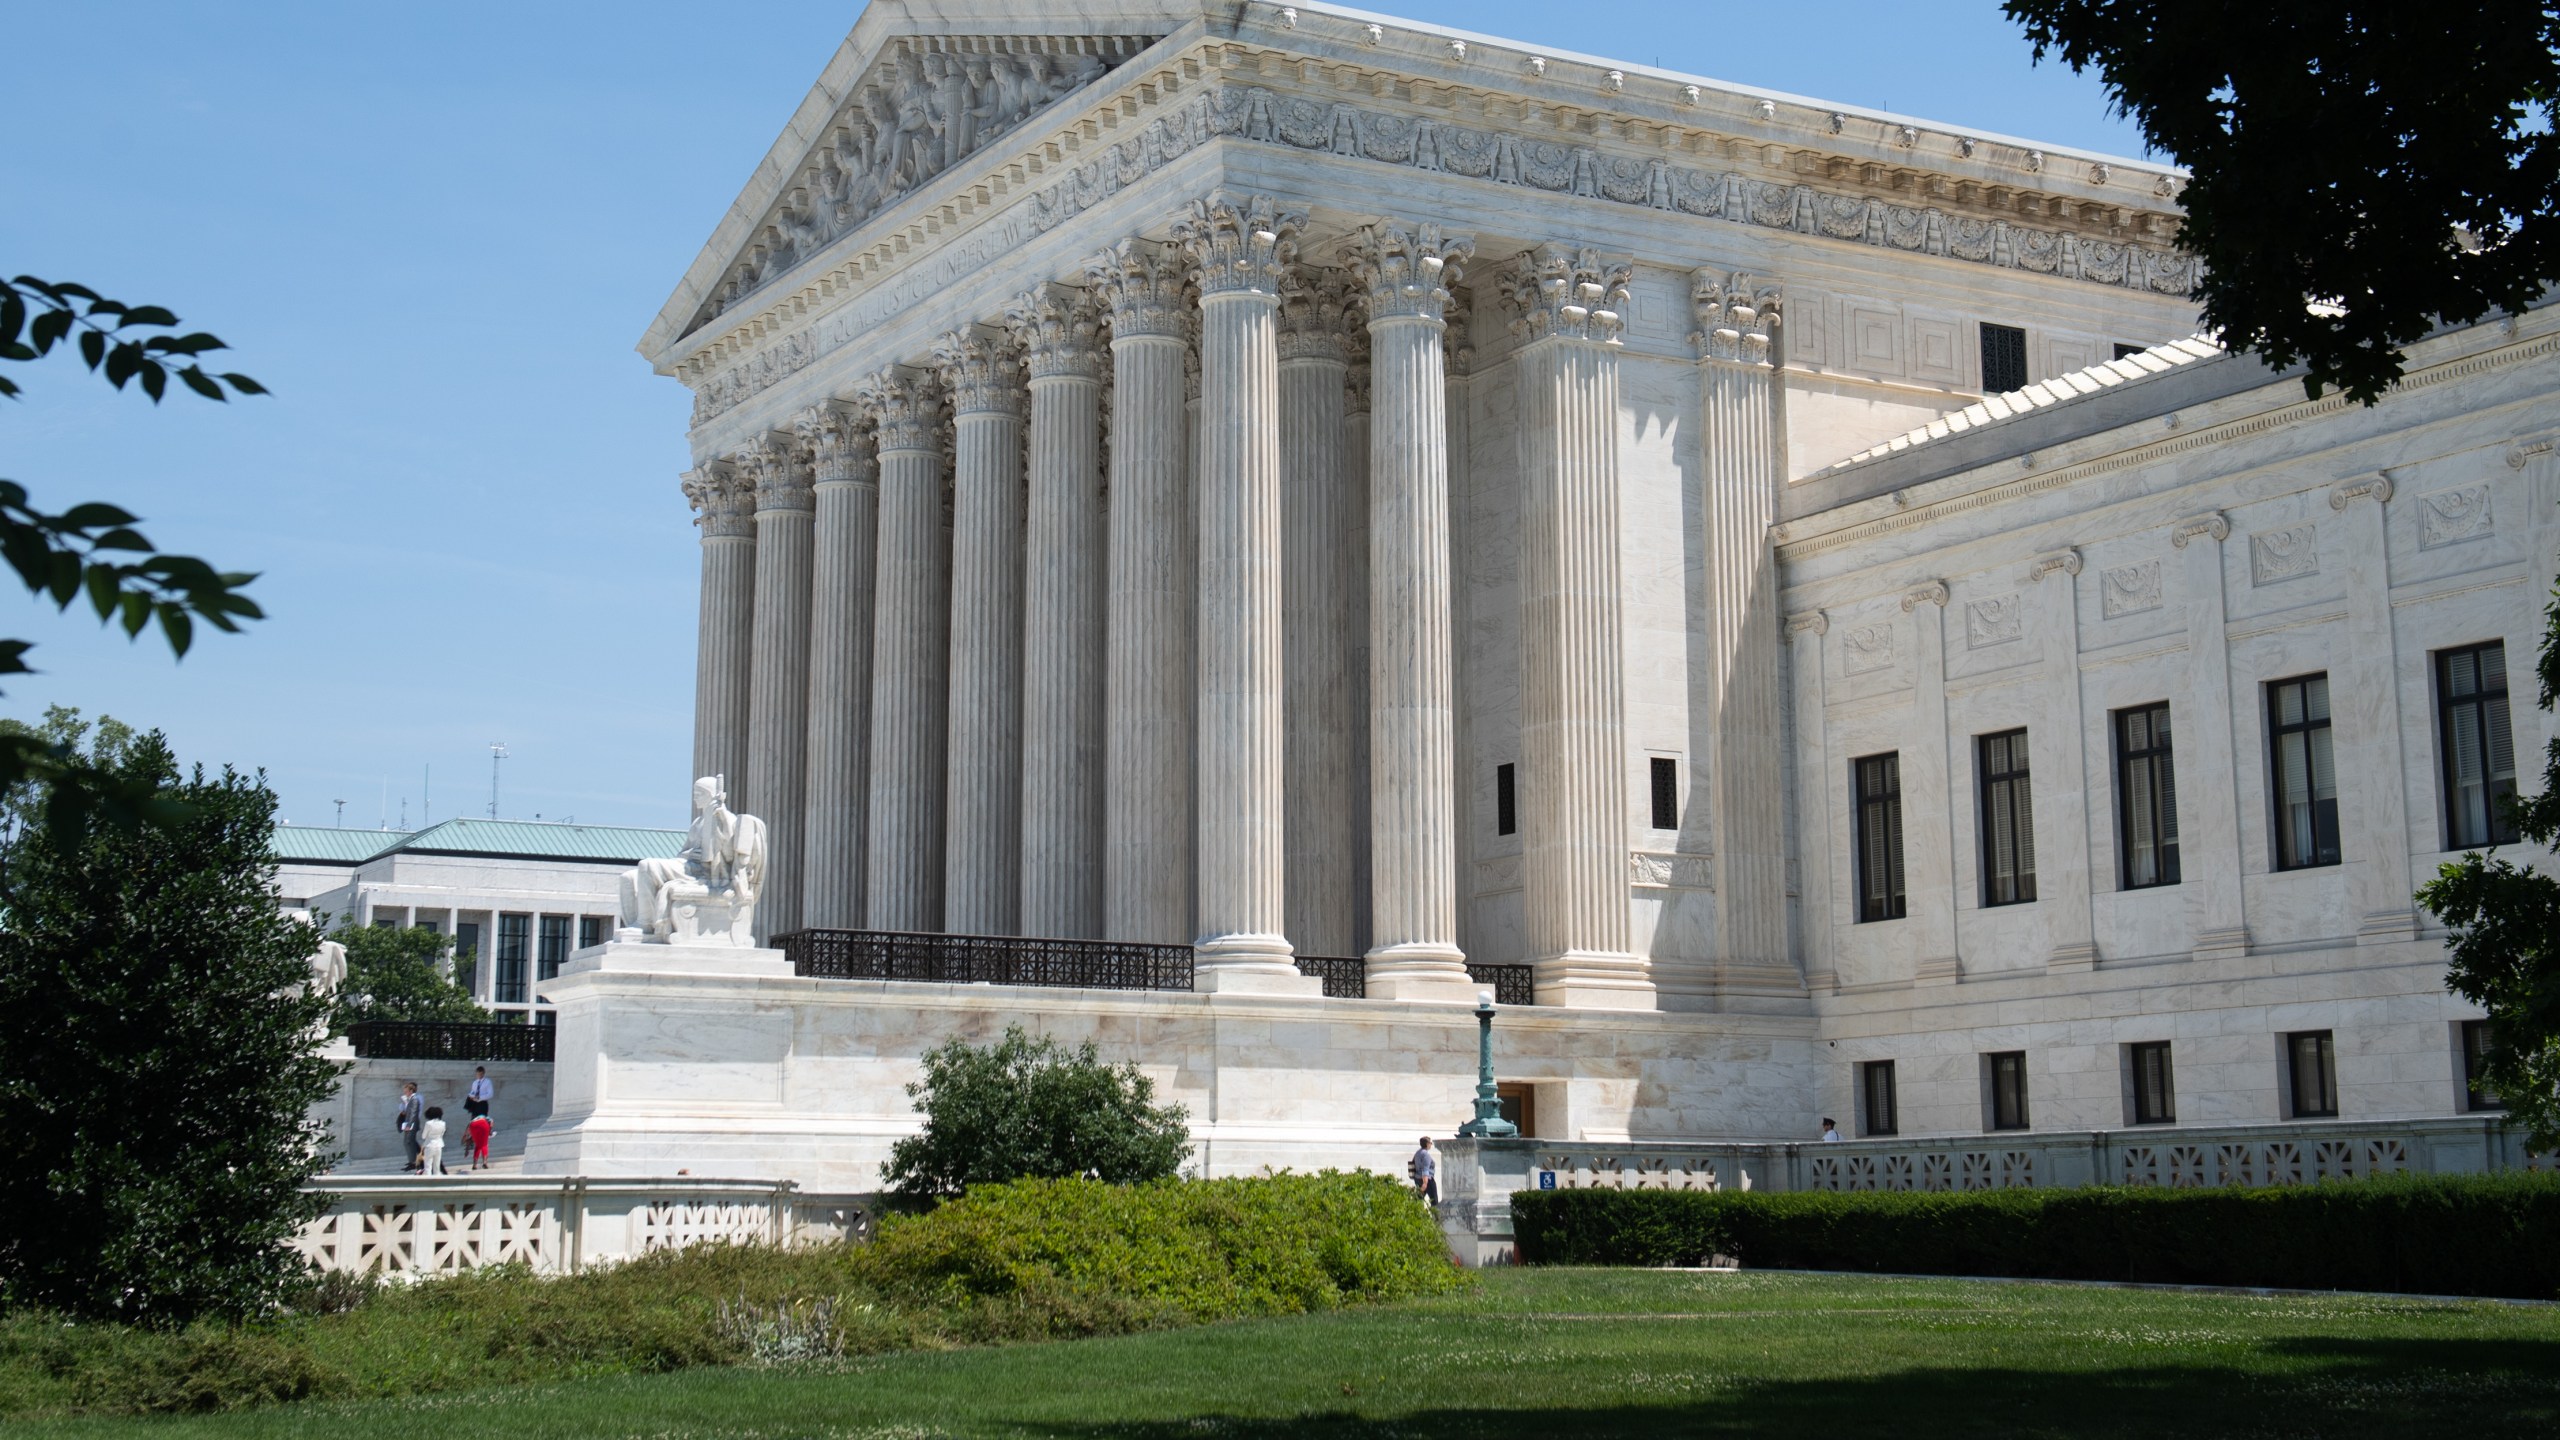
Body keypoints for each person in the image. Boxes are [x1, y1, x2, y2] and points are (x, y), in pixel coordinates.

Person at [395, 1082, 425, 1172]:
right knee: (408, 1142)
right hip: (409, 1123)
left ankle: (414, 1162)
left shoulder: (415, 1099)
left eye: (406, 1091)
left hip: (412, 1124)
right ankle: (414, 1161)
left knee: (409, 1142)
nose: (405, 1093)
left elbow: (413, 1113)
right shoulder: (410, 1099)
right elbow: (405, 1110)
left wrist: (409, 1125)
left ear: (411, 1090)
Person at [418, 1105, 447, 1177]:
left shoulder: (428, 1123)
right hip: (439, 1145)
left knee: (428, 1166)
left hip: (429, 1145)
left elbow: (423, 1136)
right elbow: (442, 1134)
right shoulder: (443, 1123)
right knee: (436, 1166)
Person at [1408, 1136, 1439, 1204]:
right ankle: (1435, 1214)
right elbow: (1425, 1169)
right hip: (1427, 1180)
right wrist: (1425, 1183)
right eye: (1430, 1143)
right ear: (1427, 1144)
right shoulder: (1425, 1154)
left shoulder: (1418, 1153)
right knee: (1434, 1201)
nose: (1431, 1144)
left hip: (1417, 1179)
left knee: (1419, 1200)